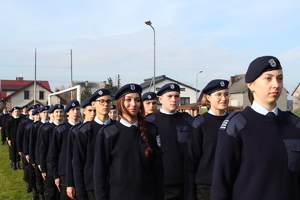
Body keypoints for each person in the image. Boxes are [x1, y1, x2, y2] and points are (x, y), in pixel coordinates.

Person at [211, 56, 300, 200]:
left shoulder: (295, 125)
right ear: (251, 85)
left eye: (279, 78)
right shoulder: (237, 126)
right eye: (268, 78)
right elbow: (221, 184)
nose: (276, 84)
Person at [94, 83, 164, 200]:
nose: (133, 104)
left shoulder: (151, 130)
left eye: (137, 100)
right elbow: (100, 173)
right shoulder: (108, 133)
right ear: (120, 103)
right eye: (128, 100)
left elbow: (158, 171)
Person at [146, 83, 193, 200]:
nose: (174, 100)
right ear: (160, 99)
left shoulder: (188, 120)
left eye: (177, 96)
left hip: (186, 183)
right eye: (170, 96)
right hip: (161, 184)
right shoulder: (150, 122)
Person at [187, 79, 229, 200]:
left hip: (230, 182)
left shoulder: (234, 121)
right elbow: (192, 159)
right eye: (219, 94)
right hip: (206, 186)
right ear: (208, 97)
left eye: (226, 94)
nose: (223, 98)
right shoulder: (199, 123)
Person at [73, 89, 113, 200]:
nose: (105, 104)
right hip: (92, 187)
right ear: (93, 104)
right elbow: (78, 164)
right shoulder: (84, 131)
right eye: (102, 101)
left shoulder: (117, 128)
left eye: (108, 101)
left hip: (114, 185)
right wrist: (81, 193)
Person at [66, 96, 95, 200]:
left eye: (95, 110)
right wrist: (70, 183)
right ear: (84, 111)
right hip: (84, 180)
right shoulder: (76, 131)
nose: (93, 113)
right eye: (90, 110)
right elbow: (71, 159)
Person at [50, 100, 80, 200]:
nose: (75, 111)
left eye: (77, 109)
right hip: (64, 172)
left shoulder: (84, 128)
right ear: (67, 112)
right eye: (72, 109)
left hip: (80, 171)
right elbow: (54, 153)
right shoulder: (60, 129)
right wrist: (55, 175)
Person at [40, 104, 64, 200]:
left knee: (61, 189)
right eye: (56, 112)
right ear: (52, 114)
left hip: (61, 162)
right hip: (50, 162)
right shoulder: (47, 128)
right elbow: (43, 148)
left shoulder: (66, 128)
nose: (59, 114)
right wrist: (43, 167)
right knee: (50, 190)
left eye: (61, 111)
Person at [17, 104, 37, 193]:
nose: (34, 112)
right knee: (27, 169)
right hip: (26, 149)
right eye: (32, 111)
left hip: (35, 150)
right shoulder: (24, 122)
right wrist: (20, 149)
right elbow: (20, 136)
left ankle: (36, 187)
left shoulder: (39, 123)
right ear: (28, 112)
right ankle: (29, 185)